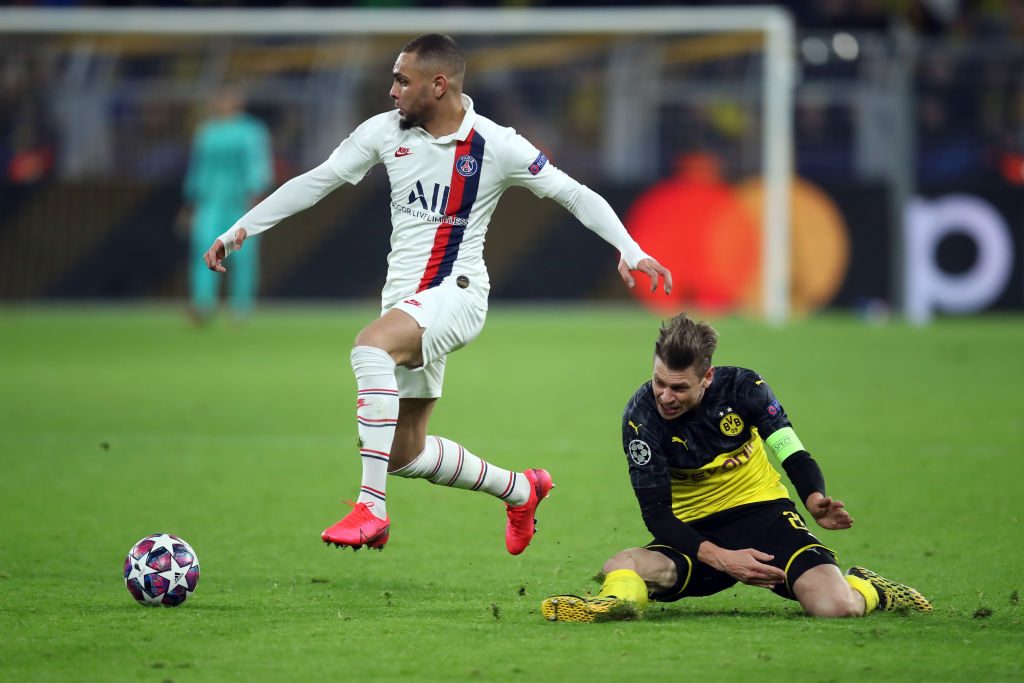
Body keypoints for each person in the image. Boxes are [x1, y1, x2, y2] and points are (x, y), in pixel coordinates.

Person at [203, 34, 672, 554]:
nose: (392, 90)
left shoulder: (496, 144)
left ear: (439, 85)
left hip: (458, 293)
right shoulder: (385, 132)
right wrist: (241, 228)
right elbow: (318, 180)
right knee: (404, 452)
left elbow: (573, 192)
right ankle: (519, 490)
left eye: (403, 80)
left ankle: (370, 509)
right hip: (405, 301)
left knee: (369, 348)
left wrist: (628, 248)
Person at [541, 313, 931, 621]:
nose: (665, 396)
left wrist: (813, 496)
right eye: (660, 381)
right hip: (694, 531)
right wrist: (724, 558)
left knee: (836, 607)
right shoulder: (640, 418)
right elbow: (657, 516)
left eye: (679, 388)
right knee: (621, 565)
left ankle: (871, 588)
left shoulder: (745, 389)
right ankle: (612, 607)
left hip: (766, 516)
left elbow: (789, 448)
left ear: (707, 377)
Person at [183, 85, 273, 322]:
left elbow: (258, 164)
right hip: (210, 199)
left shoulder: (251, 131)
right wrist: (191, 201)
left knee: (244, 253)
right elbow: (198, 167)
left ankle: (240, 307)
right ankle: (203, 303)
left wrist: (257, 195)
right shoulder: (207, 132)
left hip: (241, 199)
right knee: (204, 247)